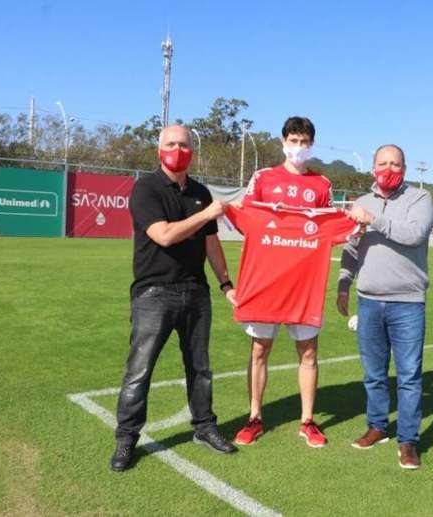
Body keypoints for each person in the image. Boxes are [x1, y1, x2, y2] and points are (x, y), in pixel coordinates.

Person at [111, 124, 238, 472]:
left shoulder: (200, 191)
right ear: (158, 149)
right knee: (139, 371)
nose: (177, 149)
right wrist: (205, 214)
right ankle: (126, 439)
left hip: (197, 292)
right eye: (170, 143)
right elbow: (164, 235)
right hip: (154, 293)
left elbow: (211, 244)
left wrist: (226, 284)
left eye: (183, 144)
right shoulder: (145, 189)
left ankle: (205, 427)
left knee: (200, 367)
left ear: (192, 151)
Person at [233, 116, 334, 448]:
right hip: (267, 281)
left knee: (308, 352)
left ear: (312, 144)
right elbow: (246, 220)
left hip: (304, 284)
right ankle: (254, 417)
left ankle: (308, 421)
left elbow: (329, 230)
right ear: (282, 141)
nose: (299, 147)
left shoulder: (322, 185)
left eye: (305, 142)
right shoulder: (263, 178)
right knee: (260, 348)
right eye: (294, 140)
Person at [337, 144, 433, 469]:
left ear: (405, 168)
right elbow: (351, 248)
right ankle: (377, 426)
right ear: (372, 168)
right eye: (382, 163)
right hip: (368, 302)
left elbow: (415, 235)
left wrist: (374, 220)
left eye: (395, 164)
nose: (388, 168)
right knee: (374, 374)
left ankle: (408, 441)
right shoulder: (361, 203)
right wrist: (343, 284)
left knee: (408, 376)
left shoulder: (420, 199)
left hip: (407, 302)